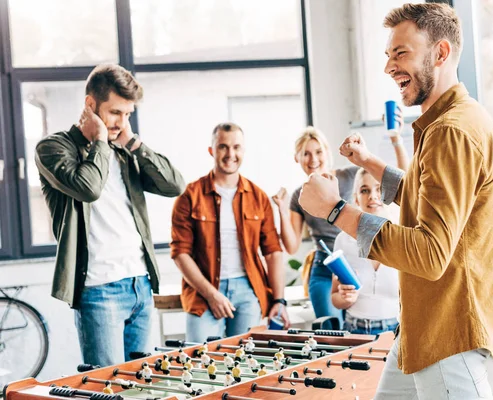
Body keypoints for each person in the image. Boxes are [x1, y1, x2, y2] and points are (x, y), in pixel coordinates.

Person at [298, 3, 493, 399]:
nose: (388, 67)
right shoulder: (453, 121)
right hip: (423, 325)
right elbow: (430, 194)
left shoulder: (452, 132)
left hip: (449, 333)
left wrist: (335, 209)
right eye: (388, 55)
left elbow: (430, 254)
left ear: (441, 53)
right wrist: (371, 164)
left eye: (401, 53)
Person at [34, 64, 186, 367]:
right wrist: (100, 141)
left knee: (143, 387)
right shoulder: (53, 148)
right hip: (98, 290)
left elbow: (174, 184)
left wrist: (133, 143)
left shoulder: (123, 149)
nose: (122, 122)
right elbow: (88, 188)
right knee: (108, 389)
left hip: (140, 285)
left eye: (128, 114)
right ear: (91, 105)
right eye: (116, 112)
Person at [272, 126, 408, 329]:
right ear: (297, 159)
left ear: (328, 152)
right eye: (305, 154)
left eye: (318, 152)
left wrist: (394, 139)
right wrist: (282, 211)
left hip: (357, 255)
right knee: (331, 327)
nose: (313, 159)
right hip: (326, 262)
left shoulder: (351, 176)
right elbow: (291, 247)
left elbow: (397, 181)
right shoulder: (301, 195)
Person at [171, 122, 290, 343]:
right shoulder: (190, 195)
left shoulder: (258, 197)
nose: (230, 154)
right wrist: (211, 294)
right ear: (211, 150)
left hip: (248, 290)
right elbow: (180, 254)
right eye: (223, 147)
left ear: (243, 151)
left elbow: (273, 252)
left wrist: (279, 300)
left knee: (248, 362)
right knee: (200, 361)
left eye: (236, 147)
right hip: (203, 292)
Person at [331, 169, 399, 335]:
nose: (373, 196)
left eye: (379, 189)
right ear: (356, 199)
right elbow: (335, 299)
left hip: (396, 333)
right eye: (364, 190)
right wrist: (345, 298)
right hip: (354, 331)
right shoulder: (343, 240)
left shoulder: (403, 239)